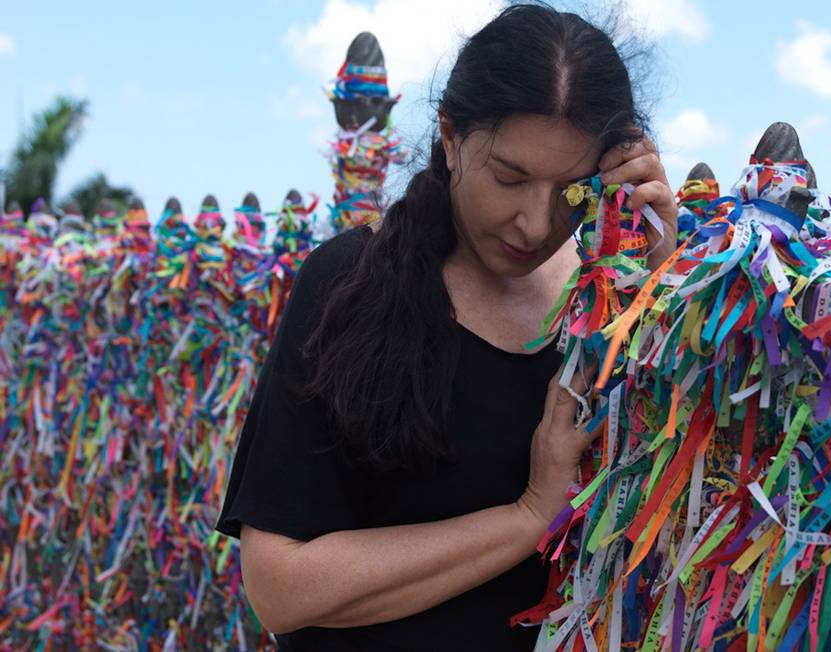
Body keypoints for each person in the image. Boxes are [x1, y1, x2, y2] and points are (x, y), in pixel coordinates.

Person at [215, 4, 677, 649]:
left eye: (571, 191)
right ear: (452, 137)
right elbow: (281, 589)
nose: (534, 225)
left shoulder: (618, 307)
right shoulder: (349, 282)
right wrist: (528, 517)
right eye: (510, 178)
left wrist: (667, 282)